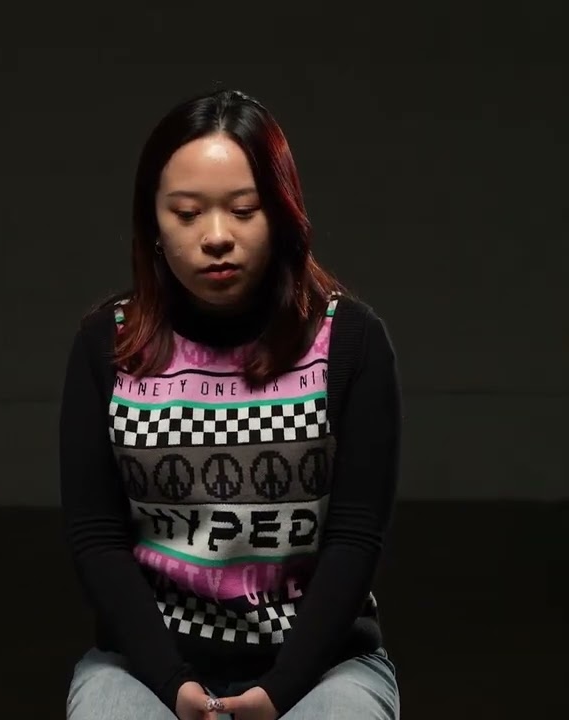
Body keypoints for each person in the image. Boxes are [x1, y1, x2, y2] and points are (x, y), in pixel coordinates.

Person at [59, 88, 402, 719]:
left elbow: (355, 539)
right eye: (187, 214)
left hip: (323, 667)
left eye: (244, 210)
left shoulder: (350, 341)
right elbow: (96, 538)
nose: (217, 236)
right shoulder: (105, 345)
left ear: (282, 213)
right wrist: (173, 682)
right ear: (154, 226)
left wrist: (277, 691)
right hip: (144, 666)